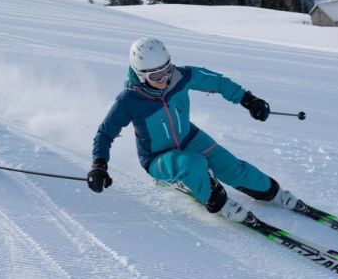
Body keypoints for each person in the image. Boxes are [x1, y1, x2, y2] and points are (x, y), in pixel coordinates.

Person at [87, 38, 298, 222]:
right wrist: (99, 165)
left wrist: (248, 100)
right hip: (157, 158)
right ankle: (216, 200)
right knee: (192, 164)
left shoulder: (180, 76)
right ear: (140, 75)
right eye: (155, 76)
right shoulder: (129, 100)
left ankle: (273, 192)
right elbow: (104, 134)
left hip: (190, 138)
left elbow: (217, 82)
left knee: (234, 168)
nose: (164, 79)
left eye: (166, 70)